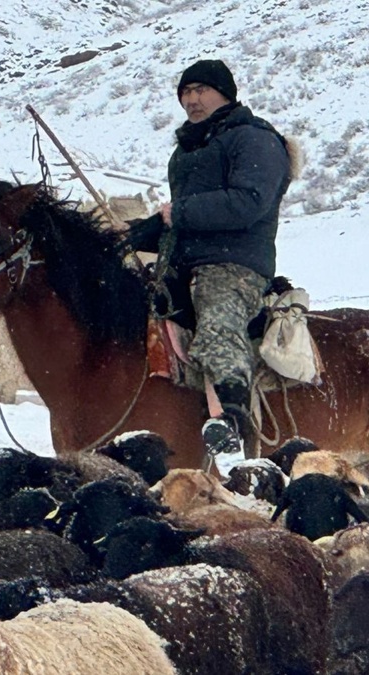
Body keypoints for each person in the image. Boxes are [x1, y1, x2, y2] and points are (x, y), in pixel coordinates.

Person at [126, 59, 294, 456]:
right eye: (185, 92)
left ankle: (233, 417)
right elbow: (179, 217)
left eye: (201, 89)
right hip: (184, 263)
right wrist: (134, 234)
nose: (191, 99)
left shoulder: (254, 139)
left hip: (233, 263)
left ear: (225, 94)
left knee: (218, 321)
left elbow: (248, 202)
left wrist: (179, 213)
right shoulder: (185, 151)